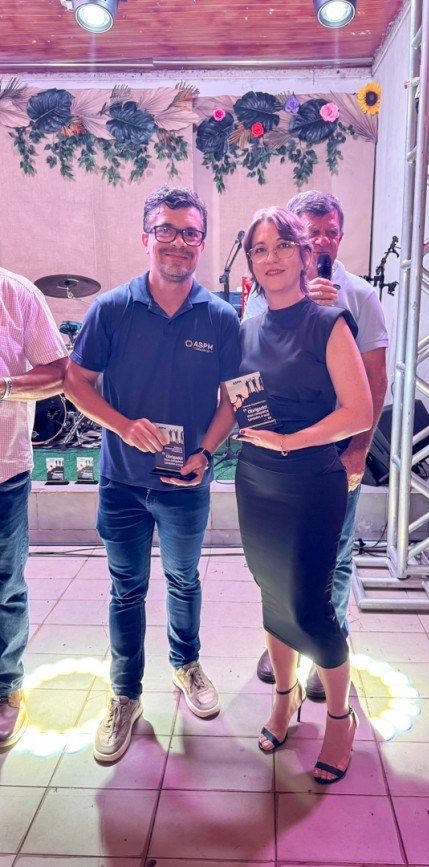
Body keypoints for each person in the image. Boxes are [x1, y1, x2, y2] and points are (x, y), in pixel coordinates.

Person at [64, 186, 240, 763]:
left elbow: (235, 397)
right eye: (166, 229)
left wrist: (206, 452)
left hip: (186, 483)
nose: (177, 242)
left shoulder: (220, 317)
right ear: (146, 238)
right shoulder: (111, 309)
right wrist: (121, 425)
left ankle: (186, 665)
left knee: (184, 581)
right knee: (127, 589)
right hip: (122, 484)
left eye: (190, 232)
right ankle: (125, 695)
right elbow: (75, 381)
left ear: (202, 243)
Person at [232, 207, 372, 783]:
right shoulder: (246, 328)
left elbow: (359, 412)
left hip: (312, 481)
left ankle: (340, 718)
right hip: (256, 479)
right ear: (251, 262)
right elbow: (235, 401)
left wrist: (292, 440)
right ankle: (284, 698)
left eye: (282, 245)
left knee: (312, 608)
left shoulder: (328, 323)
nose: (271, 257)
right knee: (272, 598)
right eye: (260, 249)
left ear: (304, 252)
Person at [245, 191, 388, 700]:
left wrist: (358, 449)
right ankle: (286, 639)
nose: (321, 241)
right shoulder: (262, 295)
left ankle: (330, 640)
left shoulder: (358, 297)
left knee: (335, 554)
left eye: (329, 232)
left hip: (332, 455)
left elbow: (374, 383)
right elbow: (252, 372)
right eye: (310, 232)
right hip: (273, 465)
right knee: (278, 562)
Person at [0, 266, 68, 749]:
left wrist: (2, 386)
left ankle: (6, 686)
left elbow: (59, 374)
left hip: (3, 469)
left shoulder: (15, 292)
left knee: (5, 586)